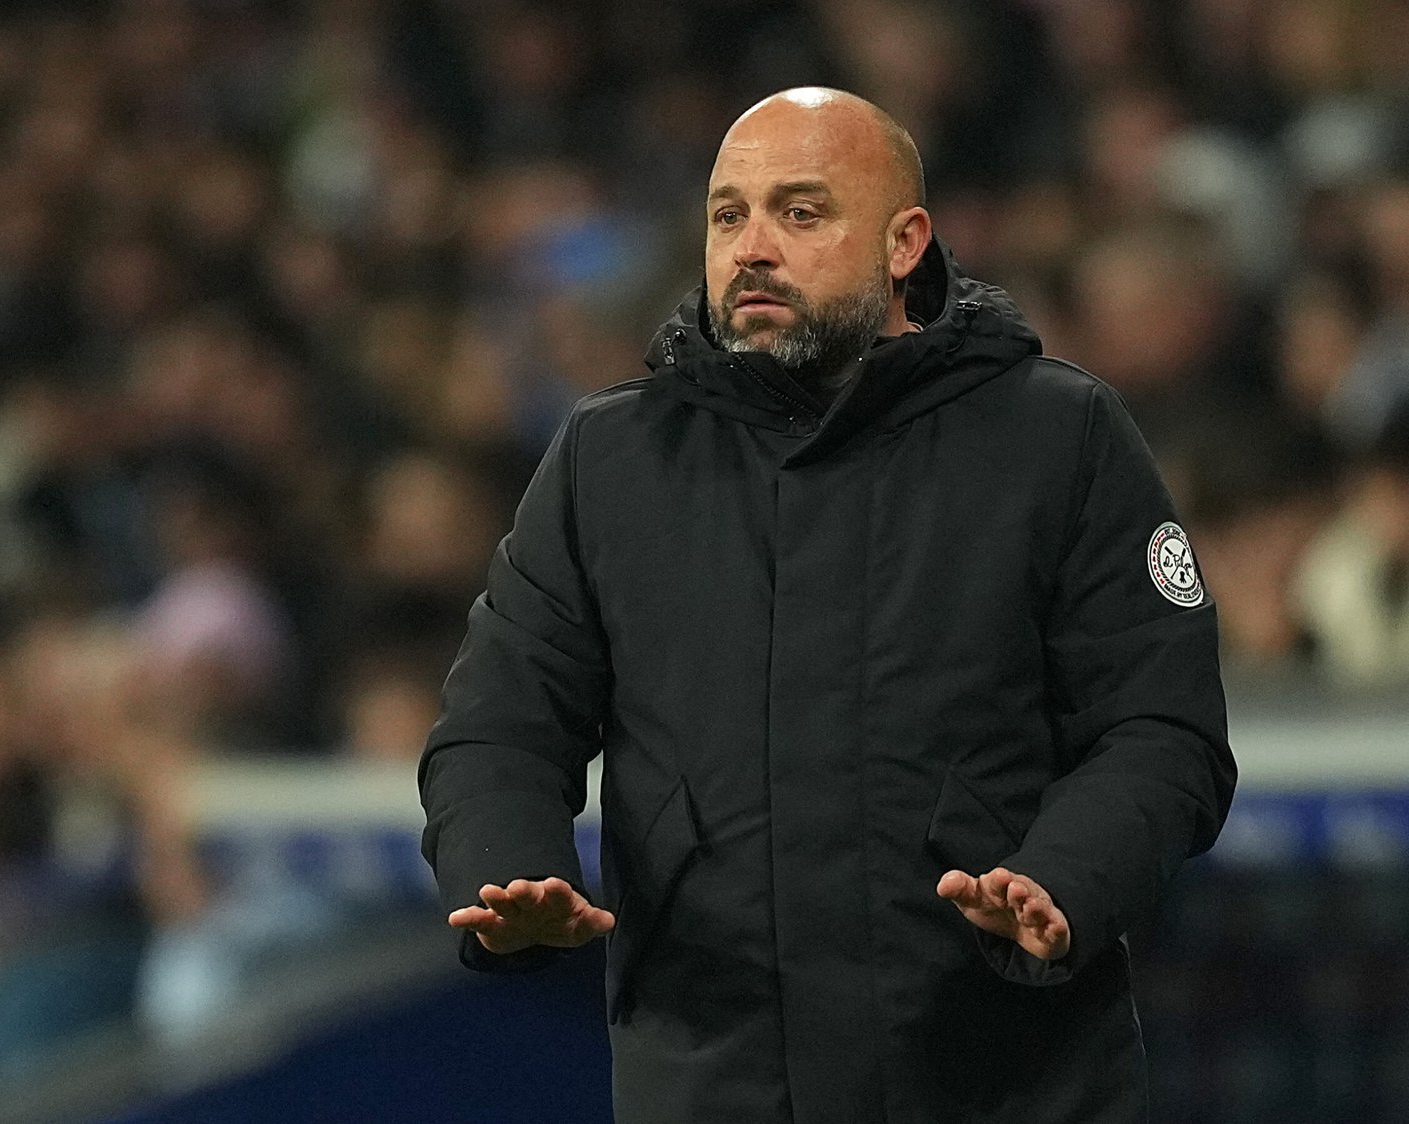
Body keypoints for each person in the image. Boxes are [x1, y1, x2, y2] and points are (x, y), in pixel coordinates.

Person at [419, 87, 1236, 1124]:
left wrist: (1063, 881)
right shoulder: (608, 461)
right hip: (713, 1079)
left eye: (799, 213)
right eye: (729, 215)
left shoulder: (1058, 438)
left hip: (1003, 1079)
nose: (752, 246)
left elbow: (1160, 729)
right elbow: (497, 724)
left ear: (905, 242)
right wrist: (508, 870)